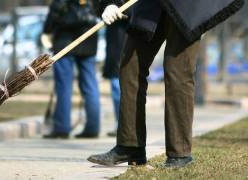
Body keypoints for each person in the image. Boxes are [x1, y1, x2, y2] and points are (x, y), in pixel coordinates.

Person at [88, 0, 244, 168]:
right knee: (130, 67)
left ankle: (180, 153)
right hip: (151, 5)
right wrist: (110, 3)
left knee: (177, 72)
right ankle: (130, 146)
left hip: (186, 6)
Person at [42, 0, 101, 139]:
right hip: (89, 38)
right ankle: (93, 127)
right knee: (90, 85)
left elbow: (56, 9)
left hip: (65, 40)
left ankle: (62, 128)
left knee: (64, 87)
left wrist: (47, 30)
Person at [103, 18, 128, 137]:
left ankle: (122, 125)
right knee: (116, 84)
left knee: (118, 86)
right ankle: (120, 124)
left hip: (122, 41)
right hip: (116, 40)